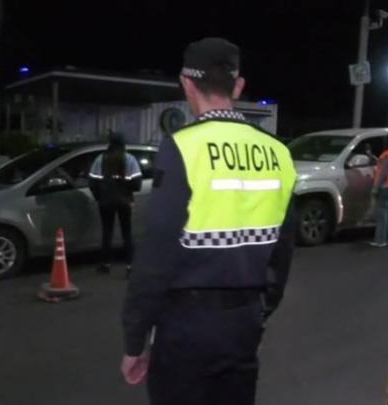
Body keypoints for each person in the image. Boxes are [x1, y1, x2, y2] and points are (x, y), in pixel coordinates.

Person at [120, 38, 297, 405]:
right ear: (238, 86)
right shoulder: (278, 152)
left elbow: (156, 256)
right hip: (244, 323)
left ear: (186, 83)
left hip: (187, 327)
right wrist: (259, 311)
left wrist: (135, 339)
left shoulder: (183, 147)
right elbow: (282, 252)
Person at [88, 131, 143, 276]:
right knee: (127, 234)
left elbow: (92, 182)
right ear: (123, 143)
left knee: (107, 232)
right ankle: (130, 267)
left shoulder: (100, 159)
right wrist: (126, 190)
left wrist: (99, 197)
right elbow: (137, 184)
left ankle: (105, 264)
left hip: (105, 201)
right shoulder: (130, 159)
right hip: (124, 201)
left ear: (110, 143)